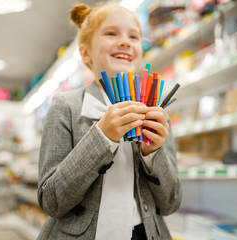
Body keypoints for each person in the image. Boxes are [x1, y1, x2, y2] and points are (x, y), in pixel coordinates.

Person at [37, 3, 181, 240]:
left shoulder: (157, 111)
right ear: (86, 53)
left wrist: (154, 154)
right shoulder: (66, 106)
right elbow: (51, 201)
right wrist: (101, 137)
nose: (124, 41)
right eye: (111, 33)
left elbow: (171, 204)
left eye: (133, 36)